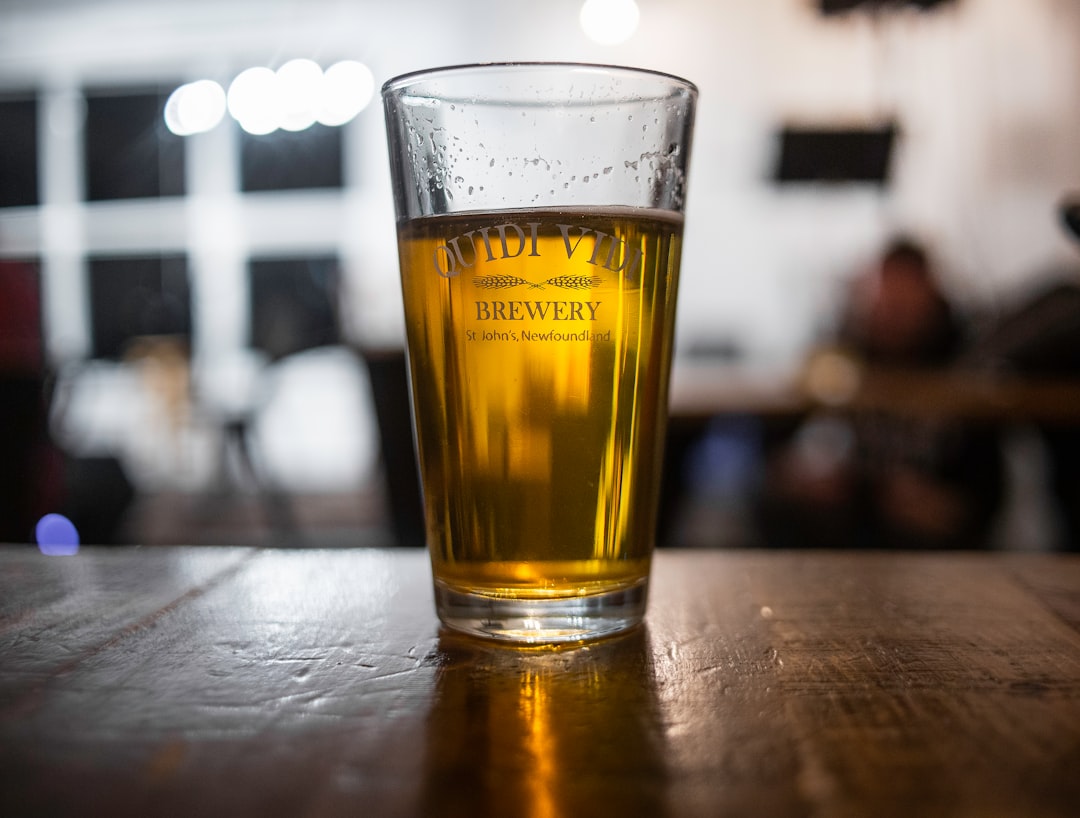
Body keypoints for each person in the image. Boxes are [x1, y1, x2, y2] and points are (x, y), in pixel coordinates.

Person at [758, 237, 1004, 549]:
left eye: (905, 297)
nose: (891, 308)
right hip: (857, 520)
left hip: (932, 549)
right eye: (885, 297)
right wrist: (807, 476)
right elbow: (779, 454)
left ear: (932, 296)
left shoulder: (966, 366)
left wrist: (931, 503)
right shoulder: (846, 351)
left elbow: (985, 499)